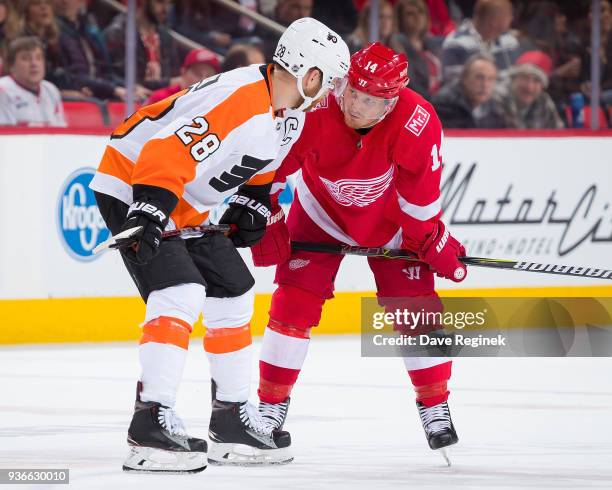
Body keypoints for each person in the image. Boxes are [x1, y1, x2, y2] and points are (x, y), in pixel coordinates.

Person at [89, 17, 350, 472]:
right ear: (309, 73)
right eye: (328, 80)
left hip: (183, 197)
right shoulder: (242, 98)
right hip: (134, 182)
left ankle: (230, 419)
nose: (329, 91)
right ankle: (149, 422)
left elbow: (262, 165)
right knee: (180, 292)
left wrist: (252, 201)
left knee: (234, 288)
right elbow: (165, 151)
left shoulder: (287, 113)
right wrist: (149, 210)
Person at [250, 42, 466, 459]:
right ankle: (270, 408)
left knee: (416, 309)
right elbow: (270, 167)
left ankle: (435, 406)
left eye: (370, 100)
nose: (356, 106)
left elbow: (420, 200)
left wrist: (427, 240)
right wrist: (265, 213)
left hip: (388, 223)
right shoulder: (315, 107)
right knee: (293, 304)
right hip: (319, 213)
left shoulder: (417, 121)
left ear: (391, 103)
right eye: (353, 91)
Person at [440, 0, 519, 84]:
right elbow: (454, 84)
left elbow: (516, 79)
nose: (512, 18)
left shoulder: (510, 42)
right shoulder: (456, 43)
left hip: (505, 95)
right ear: (493, 20)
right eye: (508, 15)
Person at [0, 35, 65, 126]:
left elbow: (61, 129)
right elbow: (6, 134)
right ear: (11, 66)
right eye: (25, 59)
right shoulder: (3, 90)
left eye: (39, 58)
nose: (34, 64)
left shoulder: (51, 89)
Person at [433, 53, 506, 128]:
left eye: (490, 79)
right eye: (479, 77)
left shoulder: (495, 107)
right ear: (464, 78)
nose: (485, 85)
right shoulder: (444, 104)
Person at [497, 50, 565, 129]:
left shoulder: (544, 101)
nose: (529, 86)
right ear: (514, 79)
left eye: (536, 80)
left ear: (542, 86)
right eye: (525, 78)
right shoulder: (498, 98)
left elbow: (559, 134)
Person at [146, 47, 220, 104]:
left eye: (209, 76)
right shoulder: (161, 99)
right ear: (183, 72)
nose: (203, 80)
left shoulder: (213, 106)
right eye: (198, 73)